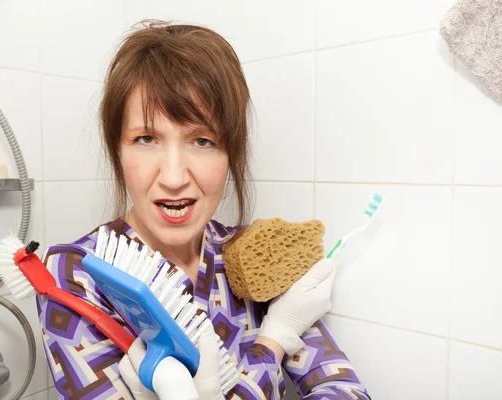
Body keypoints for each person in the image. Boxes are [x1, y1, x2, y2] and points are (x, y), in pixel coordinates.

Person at [38, 21, 371, 400]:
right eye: (146, 139)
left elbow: (342, 389)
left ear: (231, 153)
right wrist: (272, 344)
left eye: (202, 140)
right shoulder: (75, 275)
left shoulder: (251, 258)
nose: (175, 176)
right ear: (118, 149)